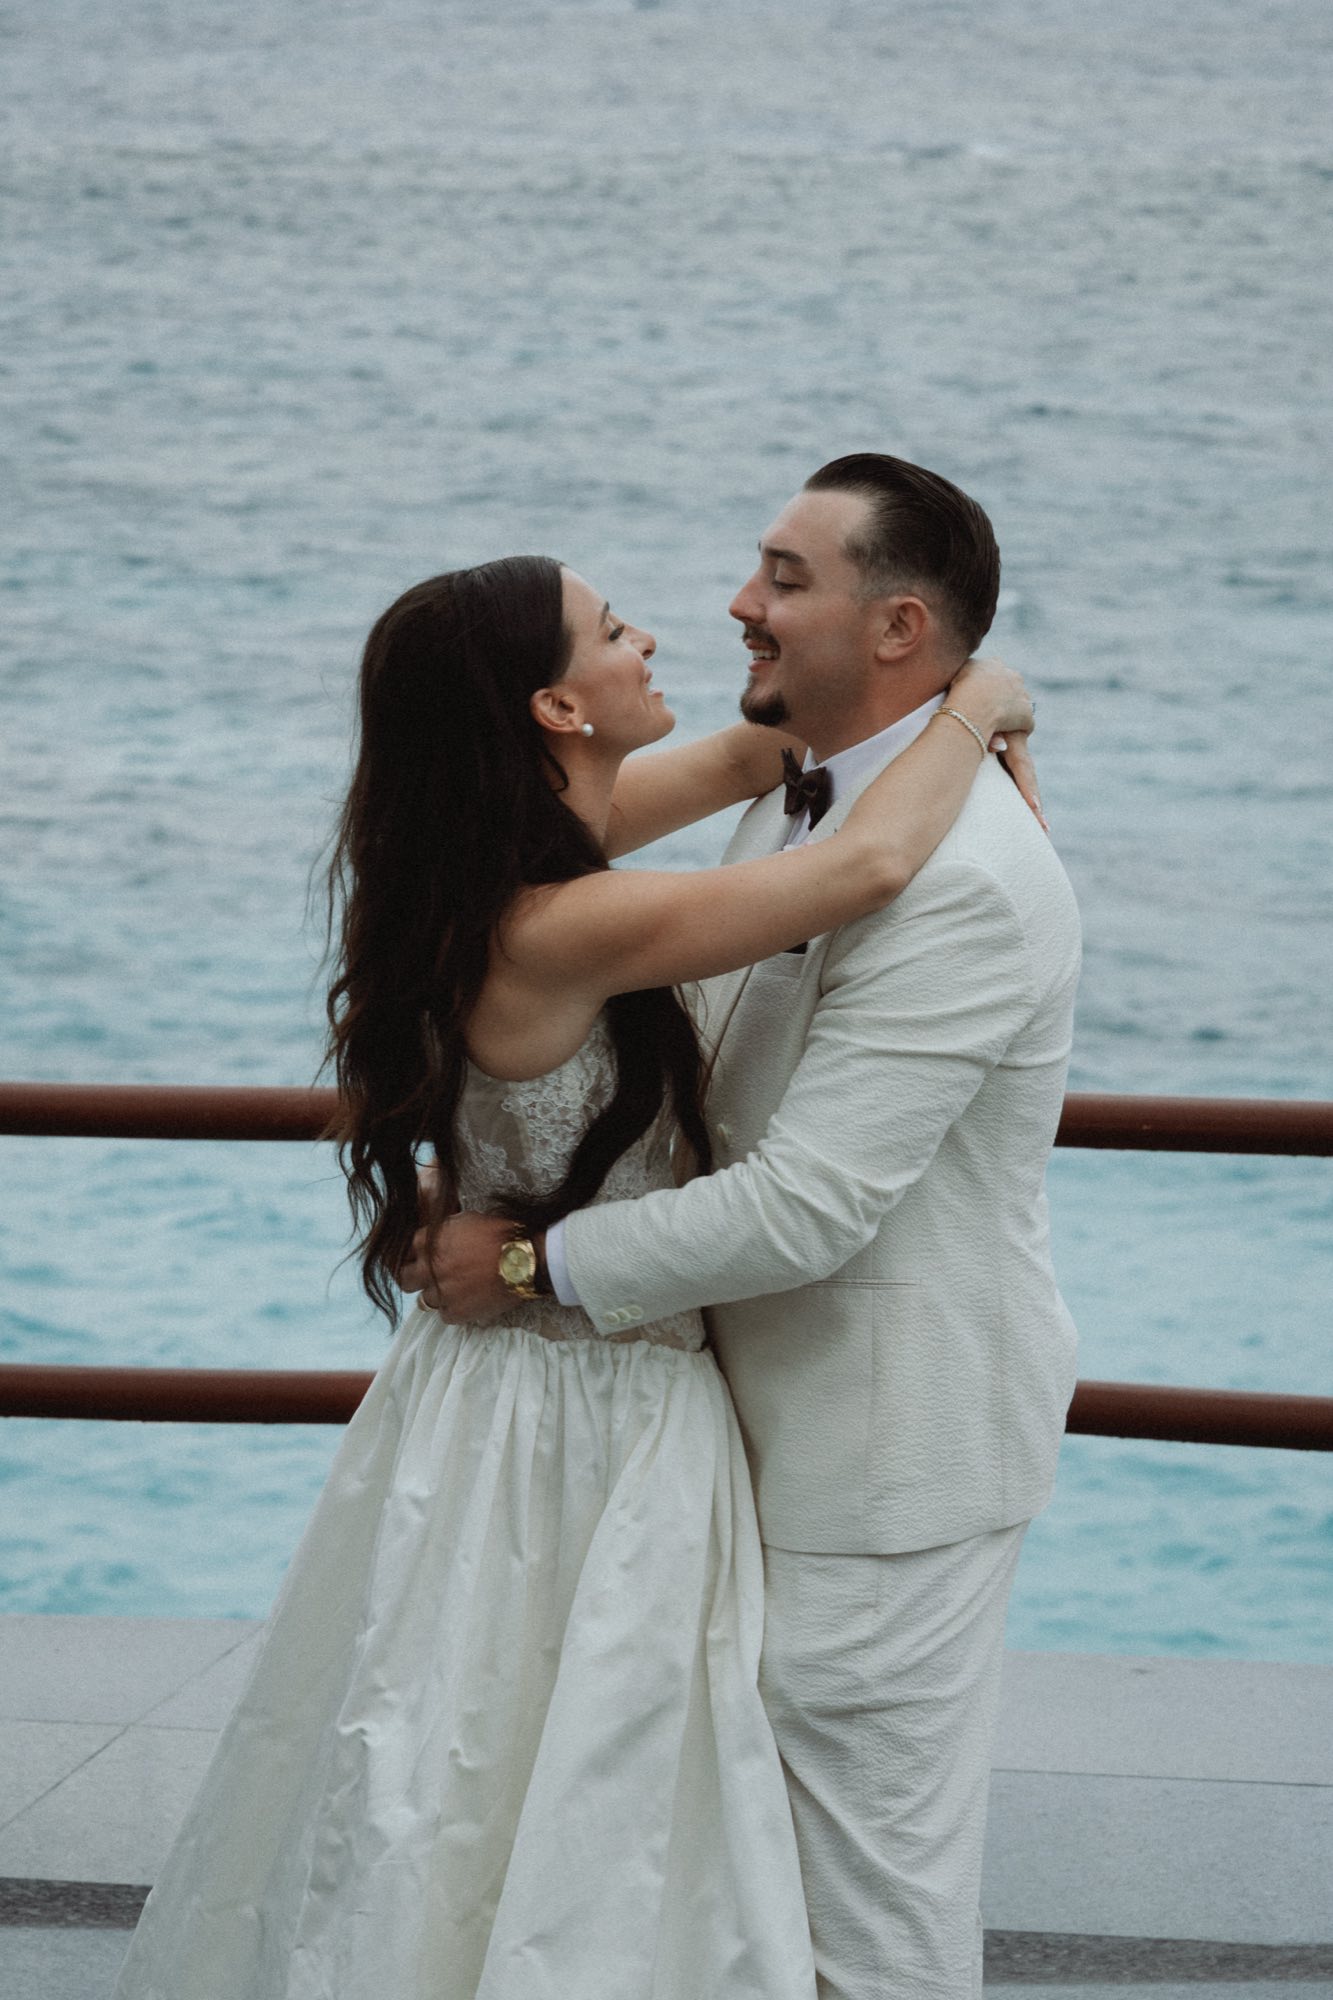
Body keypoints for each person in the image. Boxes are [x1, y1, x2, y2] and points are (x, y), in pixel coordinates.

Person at [110, 548, 1036, 2000]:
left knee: (445, 1763)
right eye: (614, 633)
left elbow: (759, 743)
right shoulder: (569, 920)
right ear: (554, 707)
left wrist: (900, 695)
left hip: (478, 1396)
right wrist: (978, 704)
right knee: (579, 1788)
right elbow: (858, 867)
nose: (658, 634)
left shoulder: (492, 858)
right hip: (588, 1405)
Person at [409, 457, 1083, 2000]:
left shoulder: (964, 878)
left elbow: (810, 1205)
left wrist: (525, 1259)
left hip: (872, 1458)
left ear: (899, 625)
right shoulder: (797, 809)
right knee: (718, 1900)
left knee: (860, 1922)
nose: (732, 607)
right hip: (698, 1448)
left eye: (782, 577)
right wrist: (983, 701)